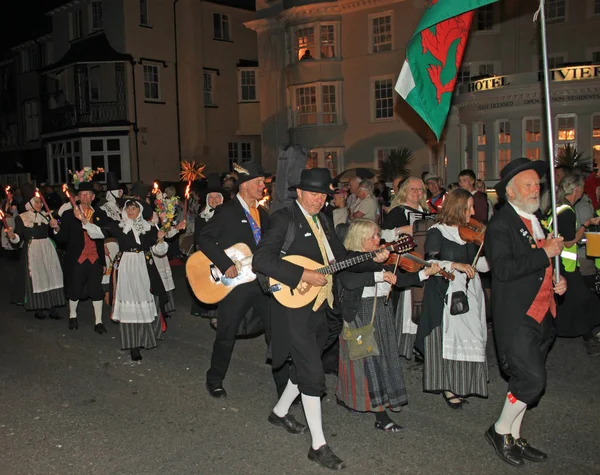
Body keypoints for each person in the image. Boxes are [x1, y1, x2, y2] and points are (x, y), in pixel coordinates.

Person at [253, 168, 390, 471]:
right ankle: (319, 445)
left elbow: (340, 260)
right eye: (312, 193)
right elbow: (261, 260)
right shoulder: (283, 218)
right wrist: (302, 273)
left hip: (321, 305)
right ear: (299, 192)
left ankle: (278, 412)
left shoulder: (324, 221)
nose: (317, 199)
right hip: (294, 305)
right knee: (313, 373)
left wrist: (372, 258)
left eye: (323, 194)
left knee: (306, 362)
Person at [484, 157, 567, 467]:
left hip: (545, 311)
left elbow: (543, 265)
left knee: (522, 379)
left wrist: (558, 280)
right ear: (510, 192)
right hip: (519, 315)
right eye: (528, 185)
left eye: (537, 185)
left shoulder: (537, 219)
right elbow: (503, 270)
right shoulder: (501, 224)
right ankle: (499, 430)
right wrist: (543, 253)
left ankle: (514, 437)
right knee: (533, 379)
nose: (536, 189)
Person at [336, 219, 438, 431]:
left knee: (384, 359)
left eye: (378, 235)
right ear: (360, 239)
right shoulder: (349, 260)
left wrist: (423, 274)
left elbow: (399, 280)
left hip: (381, 313)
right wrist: (377, 274)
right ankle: (379, 414)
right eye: (373, 236)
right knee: (366, 362)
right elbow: (348, 281)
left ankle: (374, 402)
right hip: (360, 315)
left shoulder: (381, 259)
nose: (379, 240)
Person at [197, 161, 287, 399]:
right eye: (259, 182)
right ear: (245, 185)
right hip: (235, 286)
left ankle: (284, 389)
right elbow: (204, 239)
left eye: (263, 183)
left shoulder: (264, 215)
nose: (263, 187)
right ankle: (214, 379)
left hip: (262, 284)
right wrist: (224, 264)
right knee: (226, 333)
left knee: (275, 333)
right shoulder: (226, 211)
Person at [416, 188, 490, 408]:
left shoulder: (470, 233)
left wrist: (494, 254)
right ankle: (448, 386)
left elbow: (481, 265)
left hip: (469, 292)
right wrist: (455, 265)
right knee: (445, 343)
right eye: (469, 207)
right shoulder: (437, 232)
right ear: (458, 208)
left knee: (471, 338)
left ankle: (464, 383)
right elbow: (430, 263)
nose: (473, 211)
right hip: (443, 293)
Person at [75, 199, 168, 361]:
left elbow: (159, 251)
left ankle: (147, 339)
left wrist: (160, 239)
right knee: (130, 300)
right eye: (128, 207)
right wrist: (83, 220)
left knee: (145, 298)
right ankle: (133, 345)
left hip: (144, 266)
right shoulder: (118, 226)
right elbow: (98, 232)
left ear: (139, 211)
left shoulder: (149, 228)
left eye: (134, 208)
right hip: (127, 265)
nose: (131, 210)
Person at [544, 172, 600, 355]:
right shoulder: (567, 211)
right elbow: (568, 241)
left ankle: (587, 338)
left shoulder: (556, 207)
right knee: (585, 300)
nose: (584, 191)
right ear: (576, 190)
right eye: (582, 188)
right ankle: (588, 339)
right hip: (564, 267)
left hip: (557, 264)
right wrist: (585, 225)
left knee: (576, 302)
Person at [54, 176, 107, 334]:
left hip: (95, 258)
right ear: (77, 197)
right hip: (77, 258)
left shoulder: (100, 214)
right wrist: (56, 228)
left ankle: (98, 322)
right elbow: (62, 239)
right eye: (82, 194)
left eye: (89, 194)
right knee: (75, 289)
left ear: (93, 197)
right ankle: (72, 316)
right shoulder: (69, 215)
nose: (86, 197)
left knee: (96, 290)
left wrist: (103, 262)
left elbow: (102, 238)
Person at [5, 194, 65, 319]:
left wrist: (56, 226)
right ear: (30, 204)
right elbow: (18, 237)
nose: (40, 204)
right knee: (38, 277)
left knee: (51, 275)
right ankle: (39, 307)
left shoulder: (46, 215)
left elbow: (57, 229)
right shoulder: (22, 218)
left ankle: (52, 306)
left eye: (40, 202)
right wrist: (12, 237)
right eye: (37, 202)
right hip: (33, 249)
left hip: (47, 248)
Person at [191, 175, 226, 329]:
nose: (214, 200)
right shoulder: (201, 218)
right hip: (209, 256)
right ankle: (214, 316)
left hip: (227, 255)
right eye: (211, 197)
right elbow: (198, 239)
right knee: (214, 286)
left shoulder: (229, 216)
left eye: (217, 197)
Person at [1, 186, 22, 258]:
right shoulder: (4, 203)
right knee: (5, 235)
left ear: (12, 195)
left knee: (11, 234)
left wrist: (5, 212)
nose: (7, 195)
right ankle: (7, 251)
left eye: (9, 194)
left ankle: (14, 252)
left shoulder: (15, 202)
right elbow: (3, 212)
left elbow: (12, 213)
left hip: (12, 221)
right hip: (6, 220)